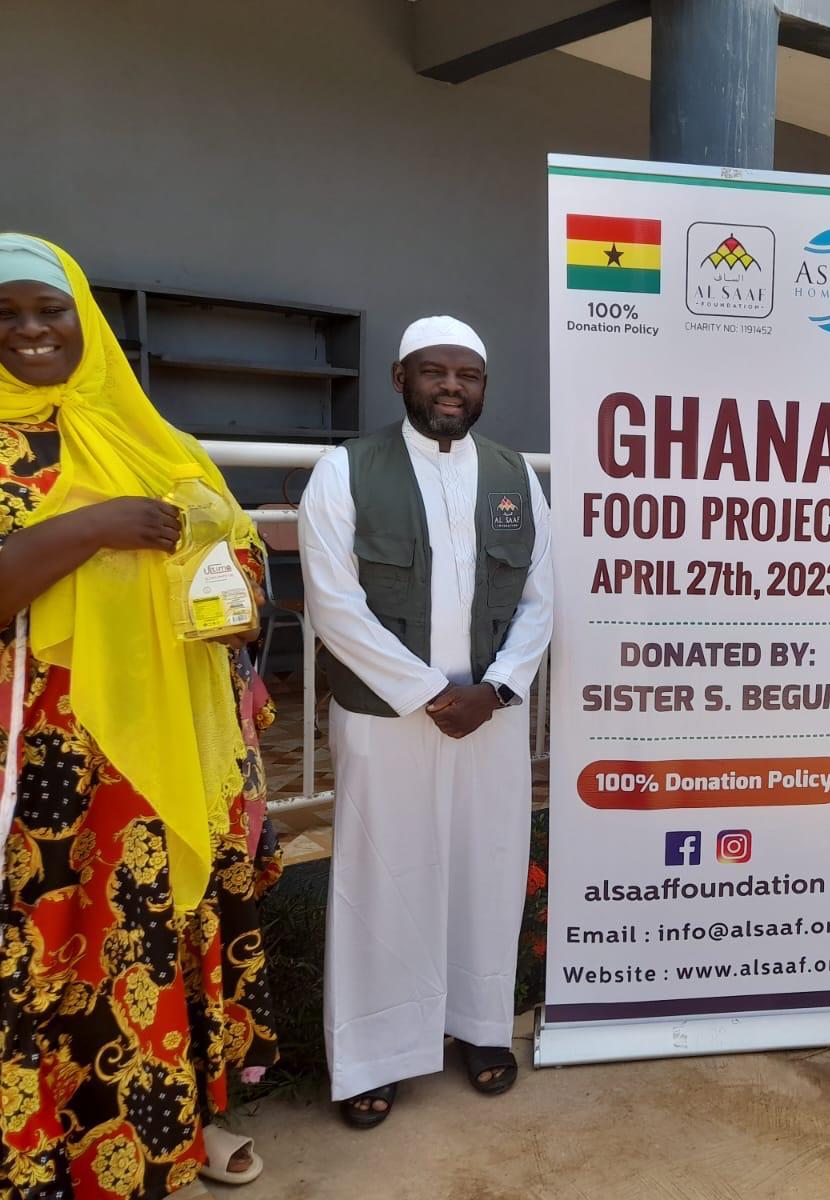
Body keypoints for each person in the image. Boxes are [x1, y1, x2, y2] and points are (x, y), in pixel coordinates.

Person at [0, 234, 276, 1197]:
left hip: (169, 746)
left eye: (50, 309)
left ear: (84, 317)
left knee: (159, 933)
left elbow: (238, 556)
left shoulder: (153, 435)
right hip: (42, 764)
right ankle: (45, 1154)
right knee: (49, 942)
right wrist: (93, 526)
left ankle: (177, 1128)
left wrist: (238, 595)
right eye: (7, 314)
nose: (31, 329)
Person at [299, 316, 552, 1128]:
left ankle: (479, 1028)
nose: (452, 387)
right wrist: (429, 694)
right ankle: (376, 1056)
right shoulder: (345, 471)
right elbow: (333, 604)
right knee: (385, 880)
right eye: (435, 372)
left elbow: (541, 595)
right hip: (386, 718)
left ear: (483, 386)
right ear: (400, 377)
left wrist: (497, 689)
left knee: (488, 869)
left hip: (490, 719)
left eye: (467, 375)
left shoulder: (514, 474)